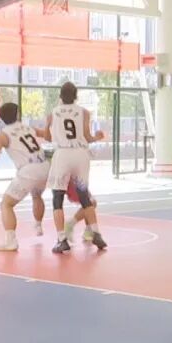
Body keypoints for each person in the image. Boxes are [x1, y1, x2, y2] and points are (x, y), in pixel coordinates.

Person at [0, 103, 49, 251]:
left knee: (6, 204)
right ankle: (38, 226)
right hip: (45, 167)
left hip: (29, 170)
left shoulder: (3, 135)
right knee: (36, 195)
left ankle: (11, 241)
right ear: (17, 115)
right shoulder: (27, 128)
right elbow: (48, 135)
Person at [45, 82, 105, 254]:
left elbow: (48, 137)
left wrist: (47, 126)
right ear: (76, 96)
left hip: (63, 154)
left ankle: (61, 239)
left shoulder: (53, 113)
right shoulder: (84, 112)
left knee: (58, 197)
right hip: (80, 154)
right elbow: (87, 137)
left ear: (60, 96)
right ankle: (96, 233)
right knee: (84, 195)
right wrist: (97, 137)